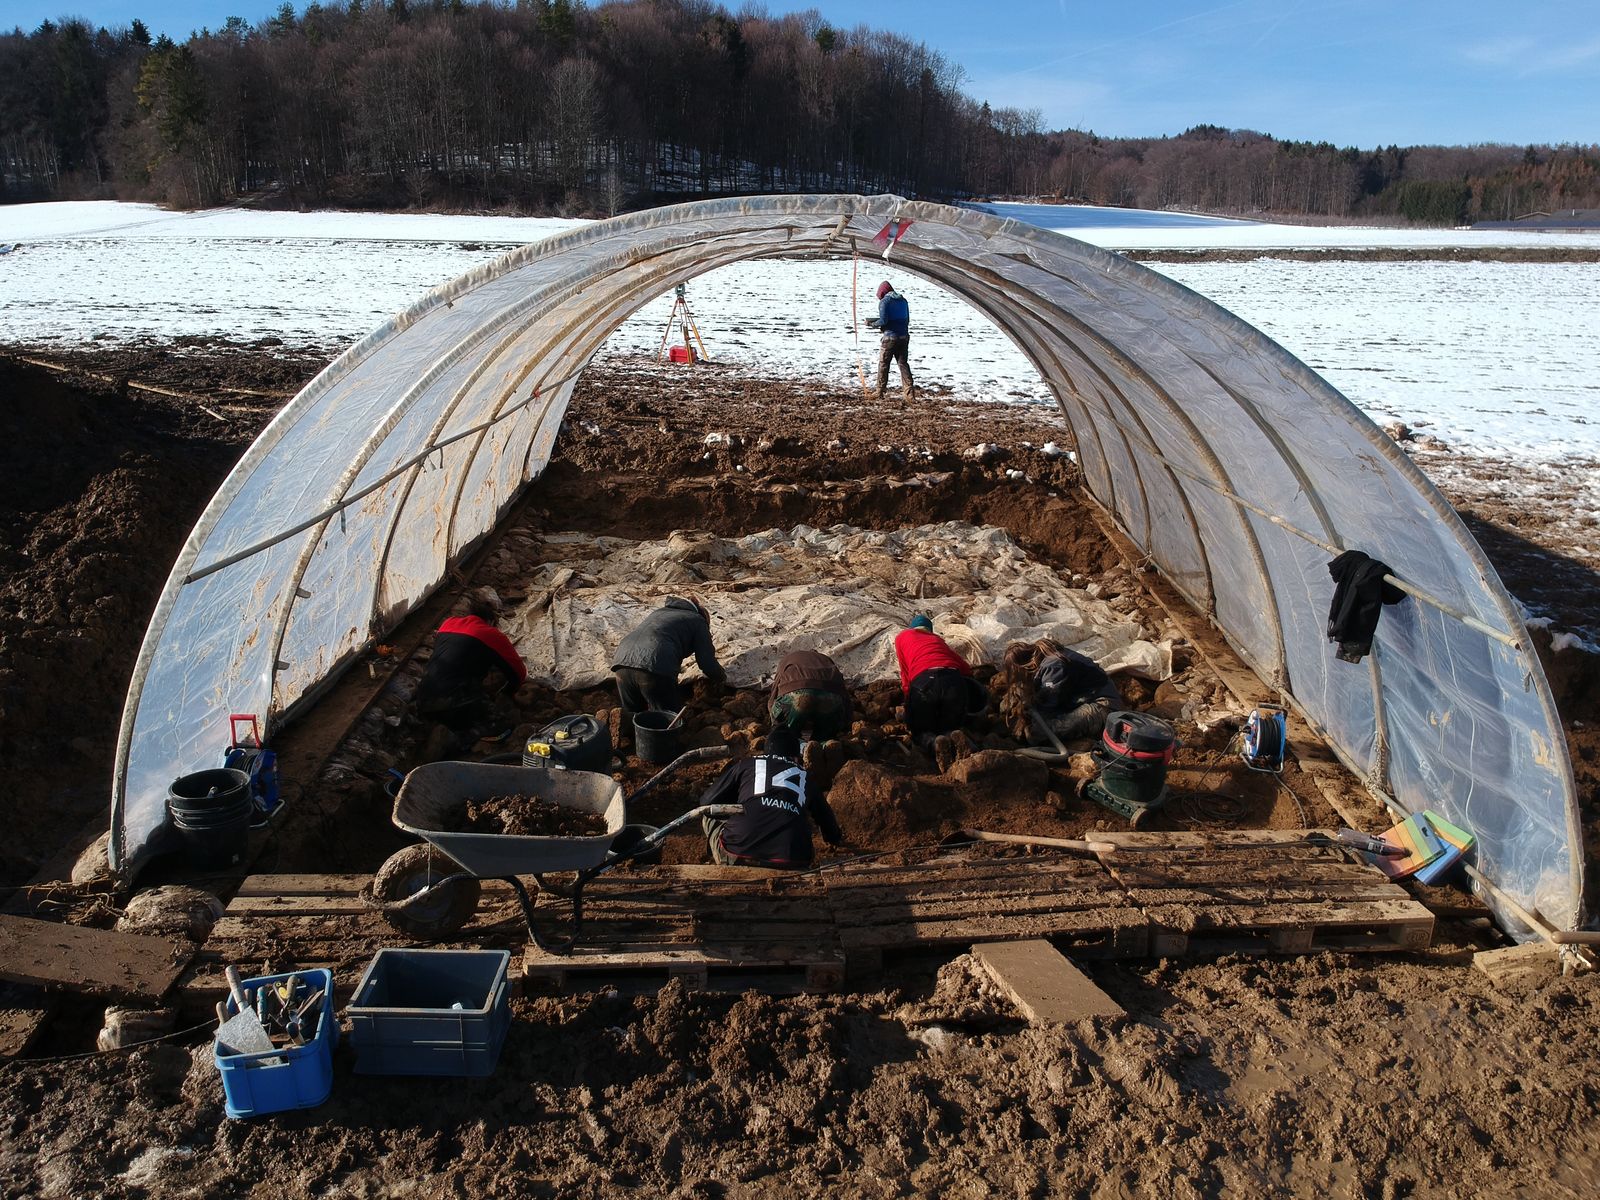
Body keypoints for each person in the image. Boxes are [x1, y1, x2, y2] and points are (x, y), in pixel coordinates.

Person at [700, 726, 843, 869]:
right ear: (796, 757)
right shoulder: (805, 776)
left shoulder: (747, 764)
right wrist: (834, 839)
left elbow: (706, 801)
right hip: (793, 861)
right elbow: (828, 823)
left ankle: (720, 860)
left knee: (708, 814)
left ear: (766, 752)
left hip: (739, 854)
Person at [413, 591, 527, 750]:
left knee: (460, 712)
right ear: (490, 621)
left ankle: (441, 728)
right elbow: (519, 673)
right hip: (455, 701)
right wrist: (507, 693)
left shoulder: (447, 624)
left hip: (424, 699)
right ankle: (456, 741)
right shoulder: (491, 634)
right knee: (503, 725)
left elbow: (457, 657)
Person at [611, 594, 726, 722]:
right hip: (654, 665)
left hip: (621, 662)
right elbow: (707, 662)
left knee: (633, 719)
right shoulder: (698, 620)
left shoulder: (659, 613)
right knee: (666, 720)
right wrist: (722, 678)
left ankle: (629, 740)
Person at [998, 638, 1122, 745]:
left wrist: (1029, 719)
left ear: (1024, 665)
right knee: (1016, 701)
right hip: (1079, 697)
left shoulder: (1053, 665)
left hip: (1102, 704)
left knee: (1039, 732)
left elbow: (1048, 706)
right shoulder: (1042, 657)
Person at [893, 614, 978, 743]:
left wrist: (908, 700)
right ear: (929, 630)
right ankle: (954, 737)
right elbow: (965, 669)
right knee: (950, 725)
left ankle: (932, 743)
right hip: (952, 680)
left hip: (924, 682)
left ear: (912, 628)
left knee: (921, 729)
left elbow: (905, 672)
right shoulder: (937, 639)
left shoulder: (902, 637)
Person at [769, 648, 852, 741]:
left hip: (799, 696)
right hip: (830, 698)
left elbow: (775, 689)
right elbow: (843, 692)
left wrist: (774, 719)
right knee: (826, 734)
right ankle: (825, 744)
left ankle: (799, 746)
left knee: (785, 734)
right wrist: (845, 721)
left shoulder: (788, 659)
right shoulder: (826, 660)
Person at [865, 279, 913, 402]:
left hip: (890, 338)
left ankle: (880, 391)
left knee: (884, 364)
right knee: (903, 364)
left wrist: (871, 324)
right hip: (904, 336)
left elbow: (883, 321)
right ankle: (909, 394)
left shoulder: (884, 302)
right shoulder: (903, 300)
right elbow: (906, 320)